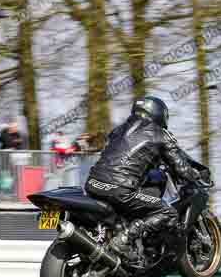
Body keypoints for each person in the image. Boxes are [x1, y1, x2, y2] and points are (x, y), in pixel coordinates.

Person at [85, 96, 202, 259]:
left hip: (93, 184)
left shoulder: (118, 130)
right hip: (120, 190)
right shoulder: (160, 134)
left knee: (150, 184)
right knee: (168, 212)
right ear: (159, 114)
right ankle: (125, 238)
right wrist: (196, 175)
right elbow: (181, 167)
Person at [0, 121, 26, 194]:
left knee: (16, 174)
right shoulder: (4, 134)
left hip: (15, 158)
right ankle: (1, 191)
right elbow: (8, 143)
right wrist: (15, 142)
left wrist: (15, 143)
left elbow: (21, 143)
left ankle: (14, 190)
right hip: (4, 158)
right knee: (3, 175)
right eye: (14, 127)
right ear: (10, 127)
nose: (16, 129)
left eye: (16, 127)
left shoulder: (17, 134)